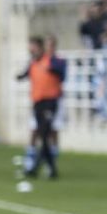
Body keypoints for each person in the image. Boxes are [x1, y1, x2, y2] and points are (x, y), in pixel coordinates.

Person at [18, 34, 66, 179]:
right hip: (38, 102)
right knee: (40, 133)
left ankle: (42, 166)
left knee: (47, 133)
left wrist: (50, 64)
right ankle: (44, 167)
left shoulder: (56, 61)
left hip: (51, 101)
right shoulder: (35, 62)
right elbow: (25, 74)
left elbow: (62, 74)